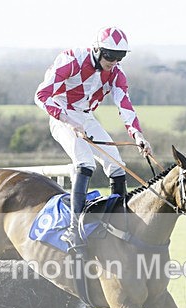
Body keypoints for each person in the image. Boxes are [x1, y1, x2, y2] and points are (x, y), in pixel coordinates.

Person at [35, 26, 152, 249]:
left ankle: (120, 224)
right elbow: (41, 95)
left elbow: (124, 105)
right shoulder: (71, 59)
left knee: (117, 165)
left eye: (120, 57)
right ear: (97, 50)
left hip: (87, 117)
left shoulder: (116, 73)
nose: (114, 61)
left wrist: (137, 134)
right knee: (85, 162)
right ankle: (73, 228)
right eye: (109, 55)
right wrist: (69, 121)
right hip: (62, 113)